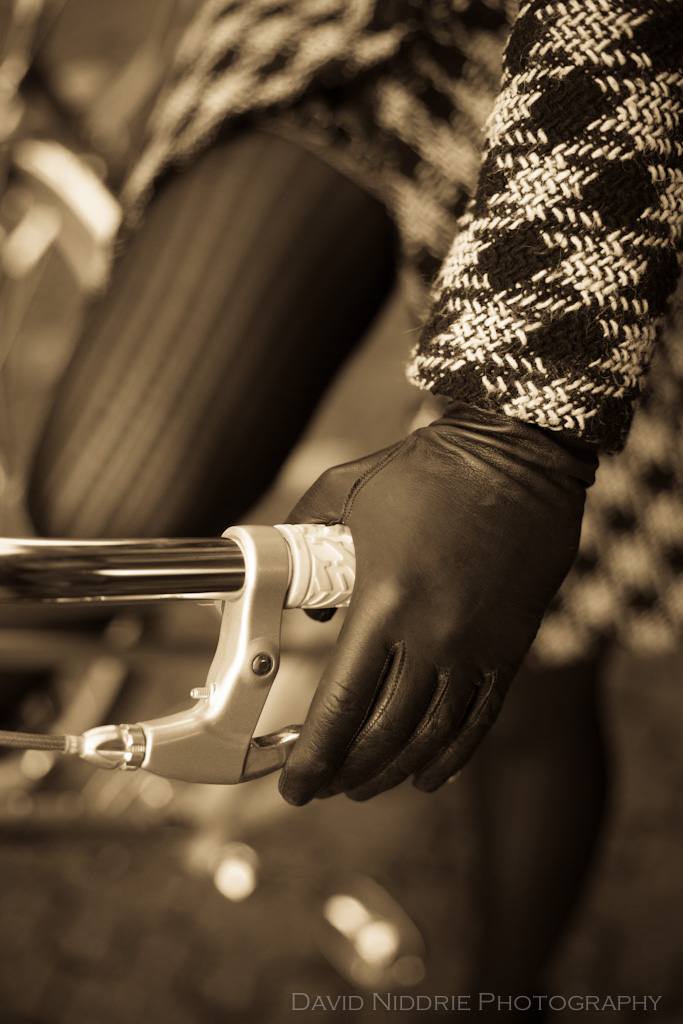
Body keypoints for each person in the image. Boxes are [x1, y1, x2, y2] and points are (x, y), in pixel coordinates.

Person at [25, 0, 683, 999]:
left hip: (626, 100)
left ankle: (507, 993)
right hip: (357, 24)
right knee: (101, 505)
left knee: (524, 642)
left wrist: (519, 441)